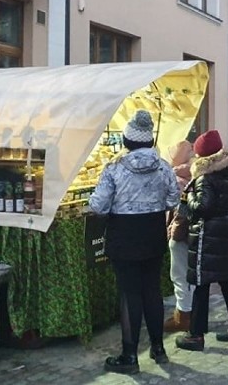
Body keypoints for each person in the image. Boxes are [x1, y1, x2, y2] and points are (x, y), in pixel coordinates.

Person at [88, 110, 180, 374]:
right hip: (152, 233)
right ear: (149, 141)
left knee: (129, 294)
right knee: (151, 291)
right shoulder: (163, 166)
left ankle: (130, 355)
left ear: (128, 141)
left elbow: (98, 206)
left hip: (124, 235)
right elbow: (174, 199)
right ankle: (158, 348)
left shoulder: (114, 168)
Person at [175, 130, 228, 352]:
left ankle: (196, 335)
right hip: (225, 229)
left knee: (201, 282)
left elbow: (202, 207)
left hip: (207, 234)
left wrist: (188, 196)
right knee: (226, 280)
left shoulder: (205, 177)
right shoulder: (226, 172)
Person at [163, 140, 195, 334]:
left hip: (181, 233)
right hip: (194, 233)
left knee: (179, 275)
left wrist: (172, 233)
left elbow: (179, 212)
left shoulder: (177, 179)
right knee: (190, 275)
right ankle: (191, 313)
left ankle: (183, 316)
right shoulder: (196, 174)